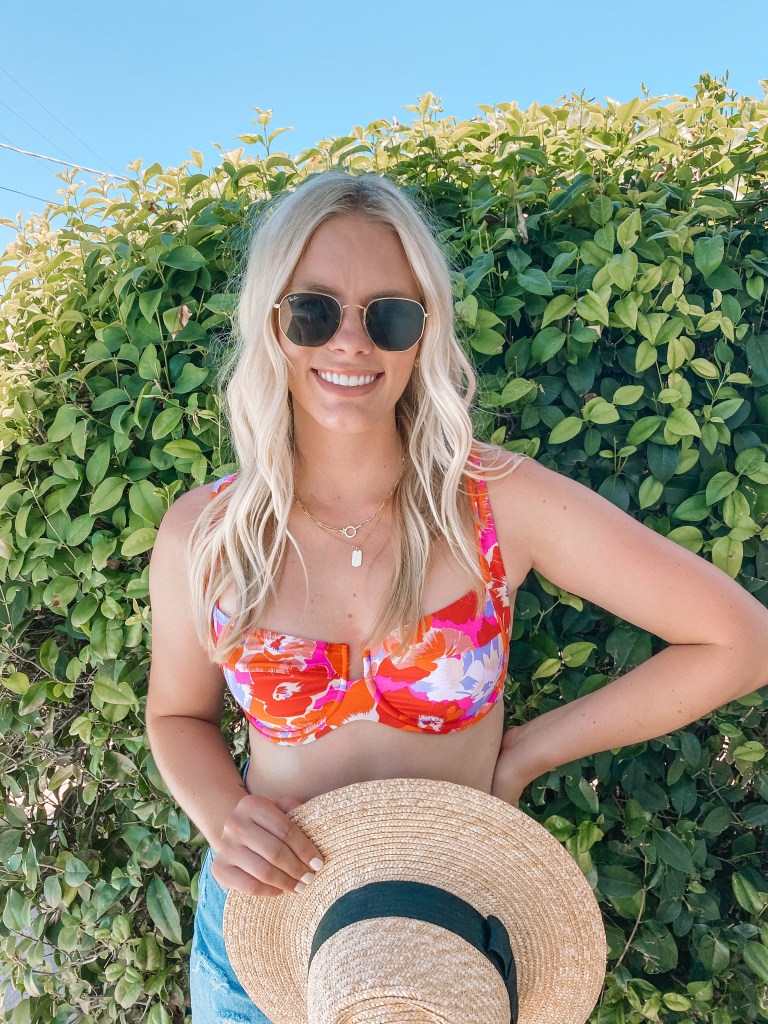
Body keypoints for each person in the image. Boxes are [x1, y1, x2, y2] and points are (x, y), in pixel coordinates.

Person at [145, 170, 768, 1022]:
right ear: (271, 321)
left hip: (445, 934)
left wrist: (525, 754)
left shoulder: (498, 503)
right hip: (266, 930)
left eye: (390, 316)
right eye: (314, 311)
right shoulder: (206, 532)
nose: (351, 343)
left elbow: (740, 640)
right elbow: (175, 715)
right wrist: (226, 817)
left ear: (425, 332)